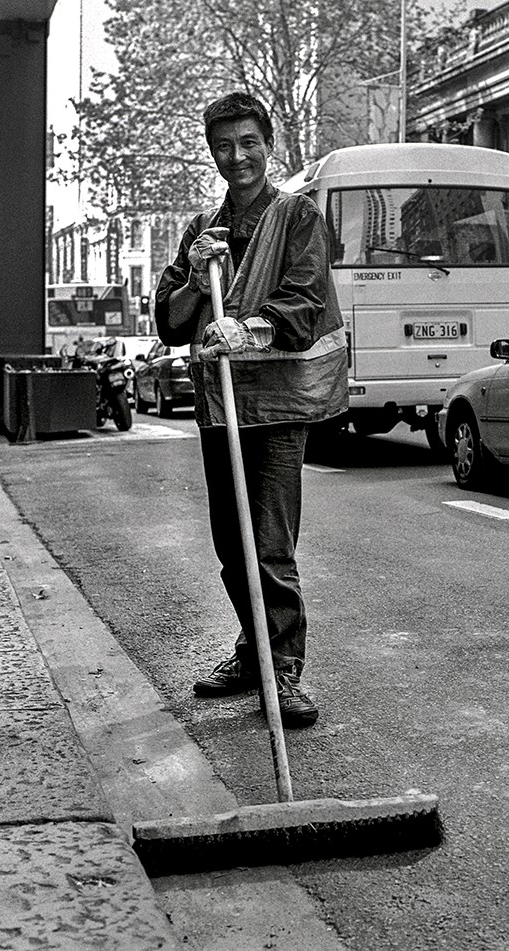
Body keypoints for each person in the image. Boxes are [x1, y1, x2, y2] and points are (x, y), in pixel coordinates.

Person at [155, 92, 348, 727]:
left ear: (268, 146)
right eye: (224, 147)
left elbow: (304, 298)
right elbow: (170, 322)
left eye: (248, 144)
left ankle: (284, 670)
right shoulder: (198, 232)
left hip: (276, 406)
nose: (237, 156)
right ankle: (252, 650)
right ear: (212, 154)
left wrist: (252, 328)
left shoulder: (297, 217)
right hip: (221, 407)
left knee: (269, 543)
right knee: (231, 545)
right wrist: (193, 277)